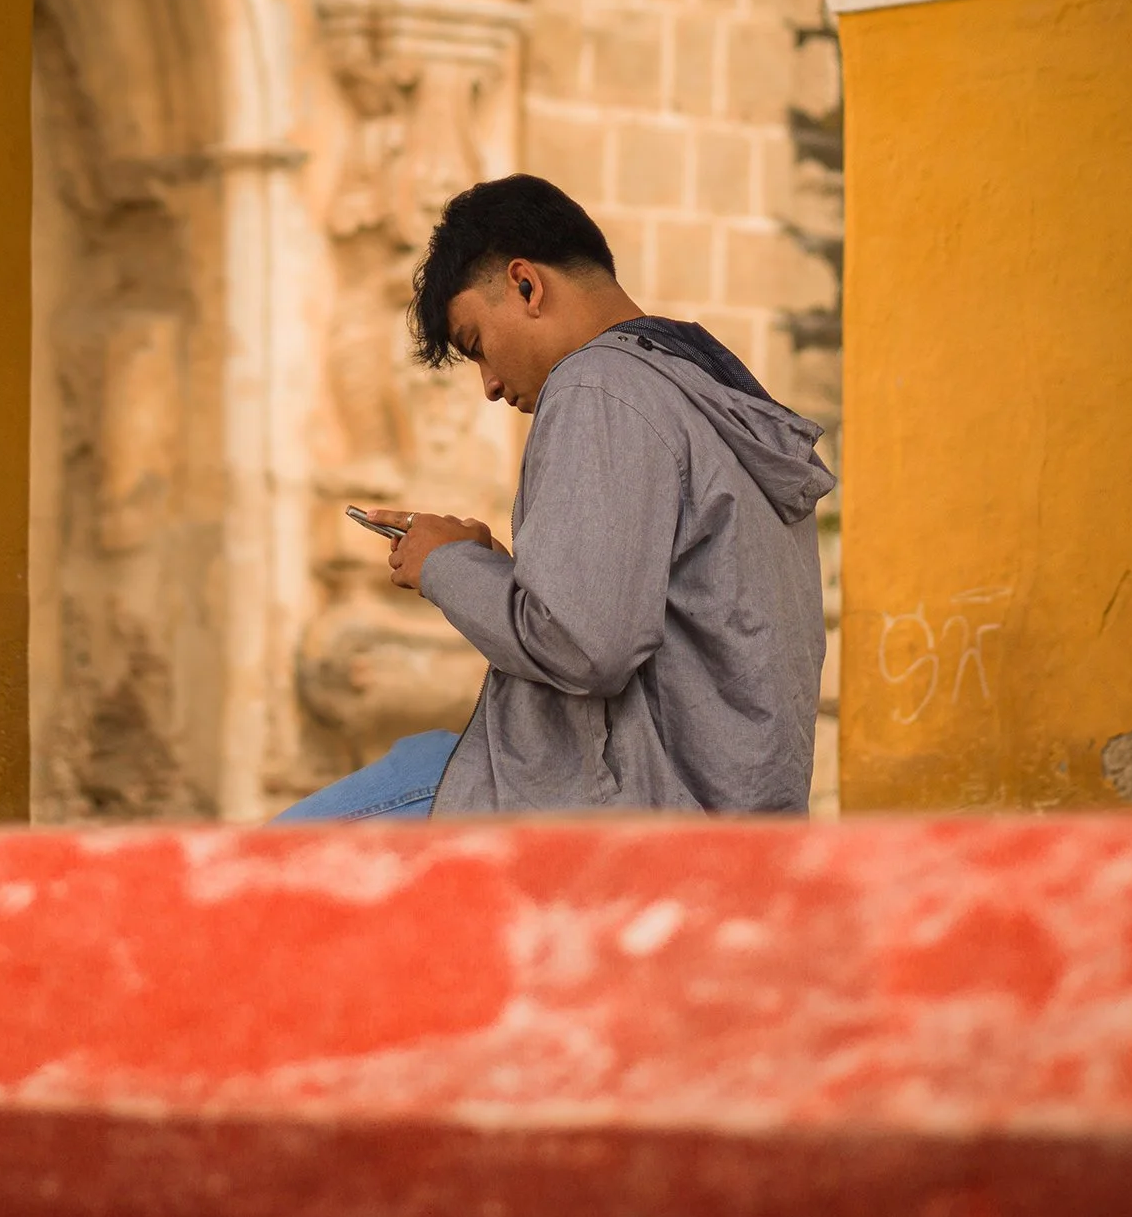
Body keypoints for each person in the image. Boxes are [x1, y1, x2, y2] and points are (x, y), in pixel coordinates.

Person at [275, 174, 834, 821]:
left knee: (253, 873)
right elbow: (619, 624)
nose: (487, 385)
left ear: (525, 285)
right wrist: (485, 566)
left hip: (621, 818)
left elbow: (583, 648)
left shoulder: (597, 386)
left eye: (477, 347)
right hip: (724, 818)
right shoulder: (699, 390)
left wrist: (442, 565)